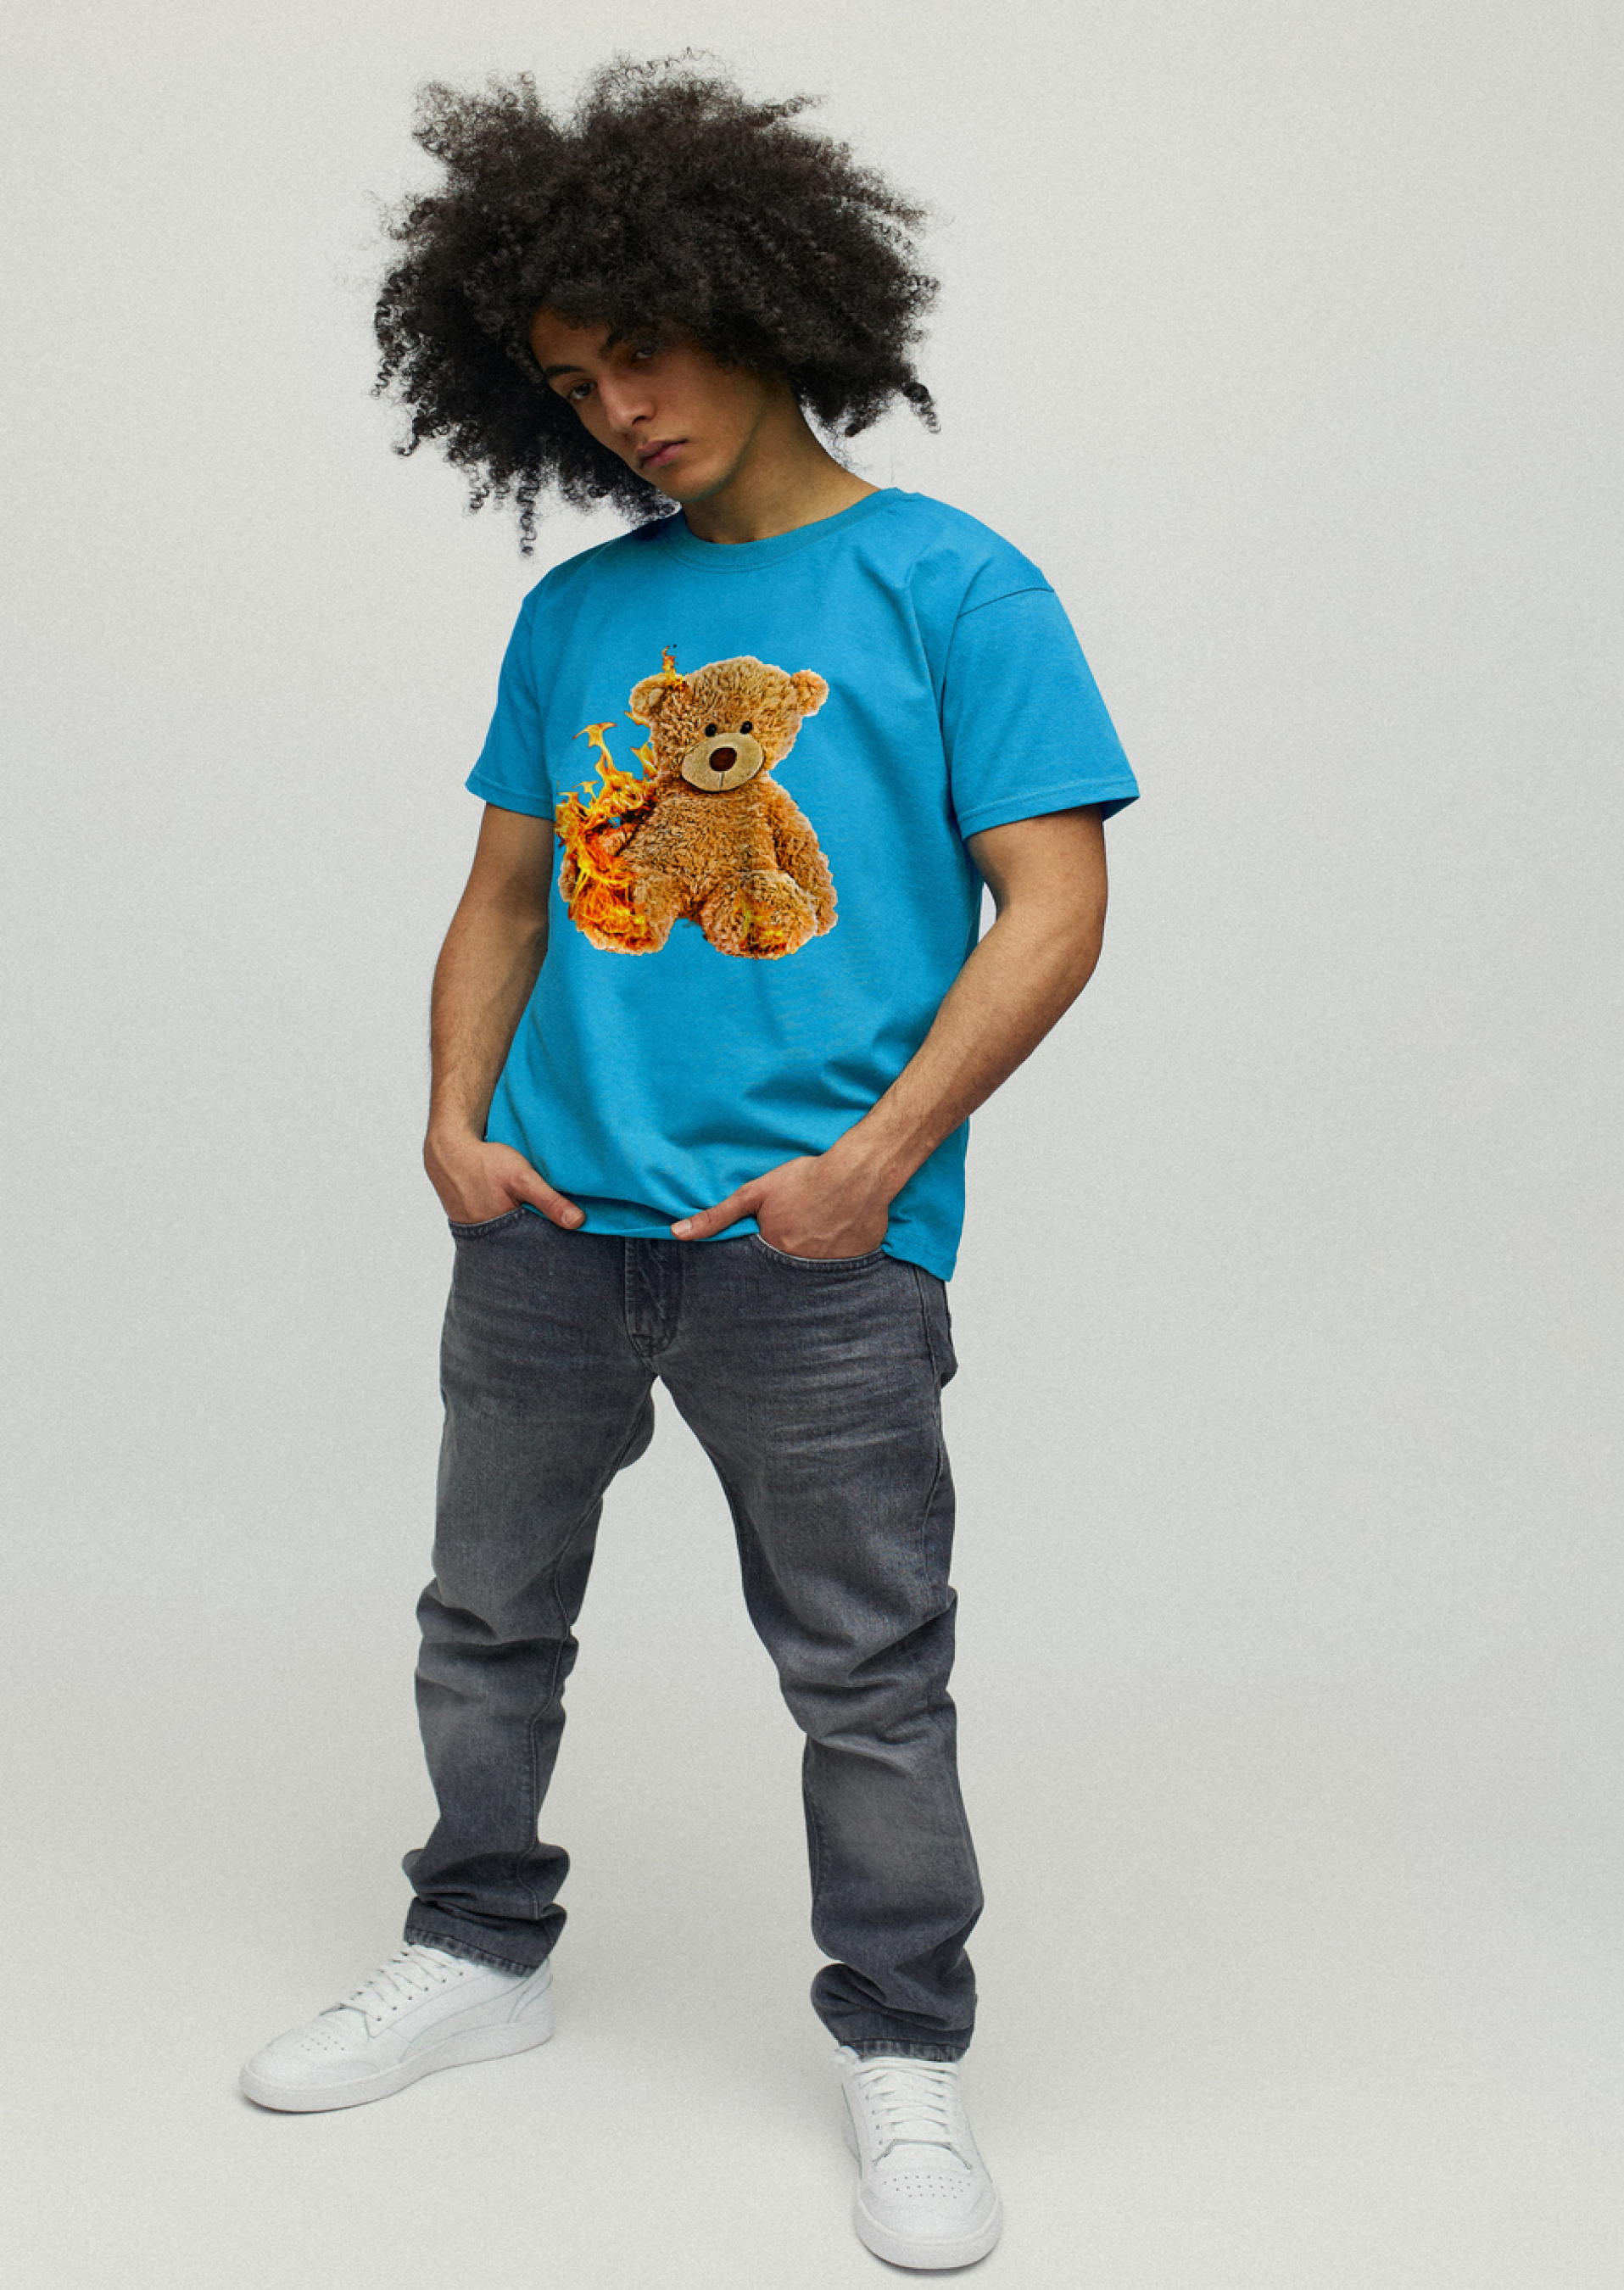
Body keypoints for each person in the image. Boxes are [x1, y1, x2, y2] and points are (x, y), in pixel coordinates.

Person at [239, 56, 1136, 2274]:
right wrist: (451, 1125)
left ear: (758, 301)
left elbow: (1054, 904)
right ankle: (477, 1950)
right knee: (485, 1617)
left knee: (866, 1671)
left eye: (641, 348)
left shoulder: (953, 585)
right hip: (551, 1228)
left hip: (814, 1252)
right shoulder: (576, 616)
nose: (618, 408)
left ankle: (904, 2047)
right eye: (571, 382)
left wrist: (877, 1164)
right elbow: (506, 896)